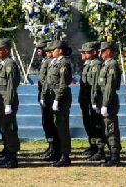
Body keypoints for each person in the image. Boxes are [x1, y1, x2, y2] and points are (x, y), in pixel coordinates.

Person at [0, 38, 22, 169]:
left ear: (6, 50)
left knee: (9, 128)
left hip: (7, 101)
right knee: (3, 127)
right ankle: (7, 151)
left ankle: (12, 157)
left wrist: (8, 103)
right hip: (0, 100)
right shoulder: (0, 64)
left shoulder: (10, 64)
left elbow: (10, 86)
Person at [46, 39, 73, 167]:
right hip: (53, 97)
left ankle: (65, 156)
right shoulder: (53, 62)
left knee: (62, 127)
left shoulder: (63, 64)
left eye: (54, 49)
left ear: (60, 50)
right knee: (56, 126)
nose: (51, 52)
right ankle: (58, 153)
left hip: (61, 99)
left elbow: (63, 84)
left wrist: (57, 99)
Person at [96, 41, 122, 167]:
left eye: (103, 51)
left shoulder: (112, 65)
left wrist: (105, 104)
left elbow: (110, 86)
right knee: (107, 129)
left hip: (109, 101)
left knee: (111, 129)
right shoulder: (105, 65)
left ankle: (115, 157)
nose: (100, 53)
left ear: (109, 51)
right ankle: (112, 155)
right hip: (104, 100)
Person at [79, 41, 104, 160]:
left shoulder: (97, 65)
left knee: (96, 124)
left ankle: (100, 149)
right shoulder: (88, 64)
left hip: (94, 99)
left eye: (86, 52)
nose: (83, 54)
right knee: (88, 123)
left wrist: (94, 100)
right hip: (86, 99)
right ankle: (93, 145)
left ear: (94, 52)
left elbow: (95, 85)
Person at [37, 39, 57, 160]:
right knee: (46, 123)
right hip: (43, 94)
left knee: (51, 123)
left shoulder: (50, 62)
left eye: (41, 48)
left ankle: (54, 148)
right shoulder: (45, 61)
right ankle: (50, 146)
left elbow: (47, 81)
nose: (38, 51)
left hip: (49, 96)